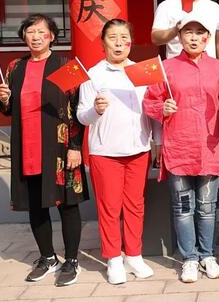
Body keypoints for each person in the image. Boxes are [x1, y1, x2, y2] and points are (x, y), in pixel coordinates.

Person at [0, 14, 88, 286]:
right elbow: (9, 109)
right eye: (30, 31)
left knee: (67, 205)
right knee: (35, 205)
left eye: (41, 31)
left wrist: (75, 147)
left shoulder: (66, 65)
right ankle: (48, 257)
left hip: (60, 148)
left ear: (52, 36)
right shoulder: (15, 67)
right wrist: (4, 100)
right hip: (28, 147)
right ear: (24, 36)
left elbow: (78, 110)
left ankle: (72, 261)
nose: (35, 37)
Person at [143, 17, 219, 283]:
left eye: (199, 33)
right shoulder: (167, 68)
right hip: (179, 148)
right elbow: (149, 101)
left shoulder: (218, 68)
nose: (194, 38)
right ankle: (190, 259)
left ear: (207, 38)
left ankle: (208, 255)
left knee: (207, 207)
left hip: (210, 147)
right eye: (188, 33)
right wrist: (162, 108)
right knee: (183, 208)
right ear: (179, 37)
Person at [77, 20, 158, 284]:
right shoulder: (93, 75)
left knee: (135, 205)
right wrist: (96, 110)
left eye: (124, 37)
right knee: (109, 207)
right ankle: (113, 258)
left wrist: (156, 141)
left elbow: (153, 109)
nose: (119, 42)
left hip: (138, 148)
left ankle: (134, 255)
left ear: (131, 41)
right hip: (105, 152)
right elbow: (82, 115)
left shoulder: (142, 71)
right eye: (113, 37)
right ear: (103, 43)